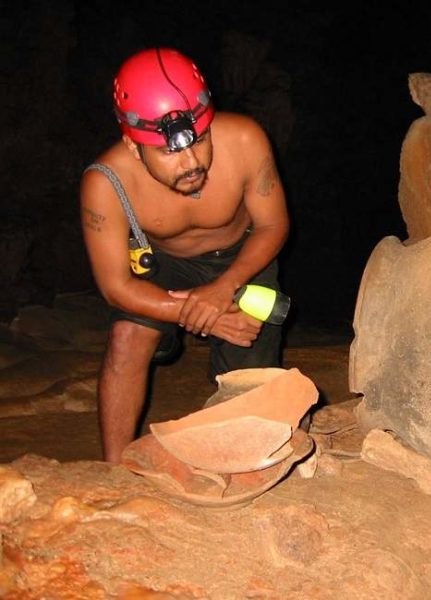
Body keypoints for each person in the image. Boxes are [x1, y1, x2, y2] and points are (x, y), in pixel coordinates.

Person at [80, 48, 289, 463]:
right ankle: (116, 467)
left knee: (248, 355)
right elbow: (115, 287)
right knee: (127, 336)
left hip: (242, 255)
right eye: (170, 152)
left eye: (201, 140)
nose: (193, 163)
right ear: (133, 144)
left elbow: (273, 225)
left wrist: (224, 289)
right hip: (165, 263)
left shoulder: (246, 140)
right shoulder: (105, 184)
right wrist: (199, 310)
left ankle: (235, 458)